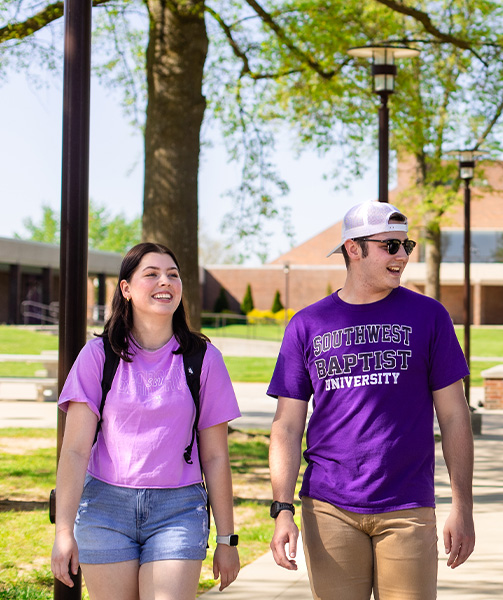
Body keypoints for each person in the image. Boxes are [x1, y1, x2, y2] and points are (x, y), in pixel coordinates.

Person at [267, 201, 474, 599]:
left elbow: (454, 417)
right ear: (353, 249)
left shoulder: (429, 316)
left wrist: (462, 505)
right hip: (328, 505)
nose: (402, 257)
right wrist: (282, 509)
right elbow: (287, 425)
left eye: (406, 246)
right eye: (389, 246)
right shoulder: (307, 324)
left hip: (408, 504)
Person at [50, 242, 242, 597]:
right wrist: (63, 531)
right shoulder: (98, 356)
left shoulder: (204, 359)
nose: (164, 282)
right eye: (151, 274)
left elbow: (215, 457)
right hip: (105, 509)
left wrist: (227, 539)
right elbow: (75, 451)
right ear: (125, 288)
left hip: (178, 511)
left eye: (172, 275)